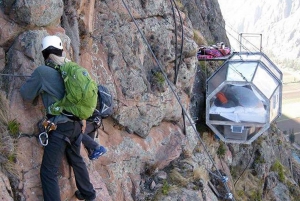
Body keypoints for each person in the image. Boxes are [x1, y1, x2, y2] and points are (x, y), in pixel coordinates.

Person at [20, 35, 96, 201]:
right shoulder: (70, 70)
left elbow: (26, 94)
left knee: (48, 172)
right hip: (76, 125)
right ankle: (89, 194)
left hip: (60, 128)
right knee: (76, 159)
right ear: (61, 50)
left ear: (44, 53)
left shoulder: (42, 72)